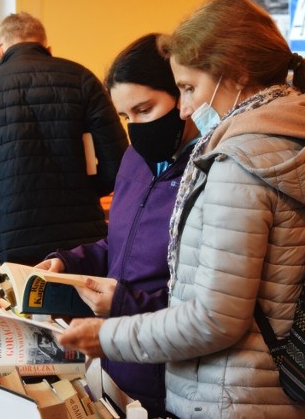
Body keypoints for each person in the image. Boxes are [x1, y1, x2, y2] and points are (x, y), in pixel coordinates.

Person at [58, 0, 305, 418]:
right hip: (301, 388)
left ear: (236, 73)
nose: (188, 108)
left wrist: (107, 336)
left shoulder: (240, 163)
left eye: (190, 88)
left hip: (236, 396)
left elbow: (214, 319)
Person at [35, 33, 198, 417]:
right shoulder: (134, 160)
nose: (135, 128)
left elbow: (207, 306)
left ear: (182, 94)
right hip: (118, 365)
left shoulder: (207, 172)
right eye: (125, 117)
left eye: (144, 109)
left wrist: (124, 302)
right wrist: (68, 261)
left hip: (171, 372)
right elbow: (120, 244)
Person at [0, 12, 128, 265]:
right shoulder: (82, 80)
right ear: (47, 47)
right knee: (83, 304)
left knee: (22, 304)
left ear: (0, 50)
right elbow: (118, 163)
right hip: (80, 240)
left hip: (8, 240)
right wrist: (83, 192)